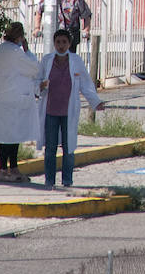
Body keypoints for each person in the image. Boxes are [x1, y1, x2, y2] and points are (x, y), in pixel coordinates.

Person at [36, 28, 105, 189]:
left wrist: (96, 102)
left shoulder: (76, 61)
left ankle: (67, 180)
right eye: (58, 42)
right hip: (50, 111)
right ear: (54, 43)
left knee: (69, 148)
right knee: (50, 148)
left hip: (69, 111)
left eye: (64, 42)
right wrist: (40, 86)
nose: (61, 46)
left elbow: (86, 85)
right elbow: (37, 82)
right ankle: (49, 181)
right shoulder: (46, 61)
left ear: (69, 44)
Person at [0, 21, 38, 182]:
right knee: (13, 136)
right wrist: (27, 50)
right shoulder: (16, 51)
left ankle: (3, 169)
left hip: (1, 98)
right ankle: (13, 168)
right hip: (14, 99)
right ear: (21, 36)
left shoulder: (0, 49)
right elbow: (34, 68)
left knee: (4, 136)